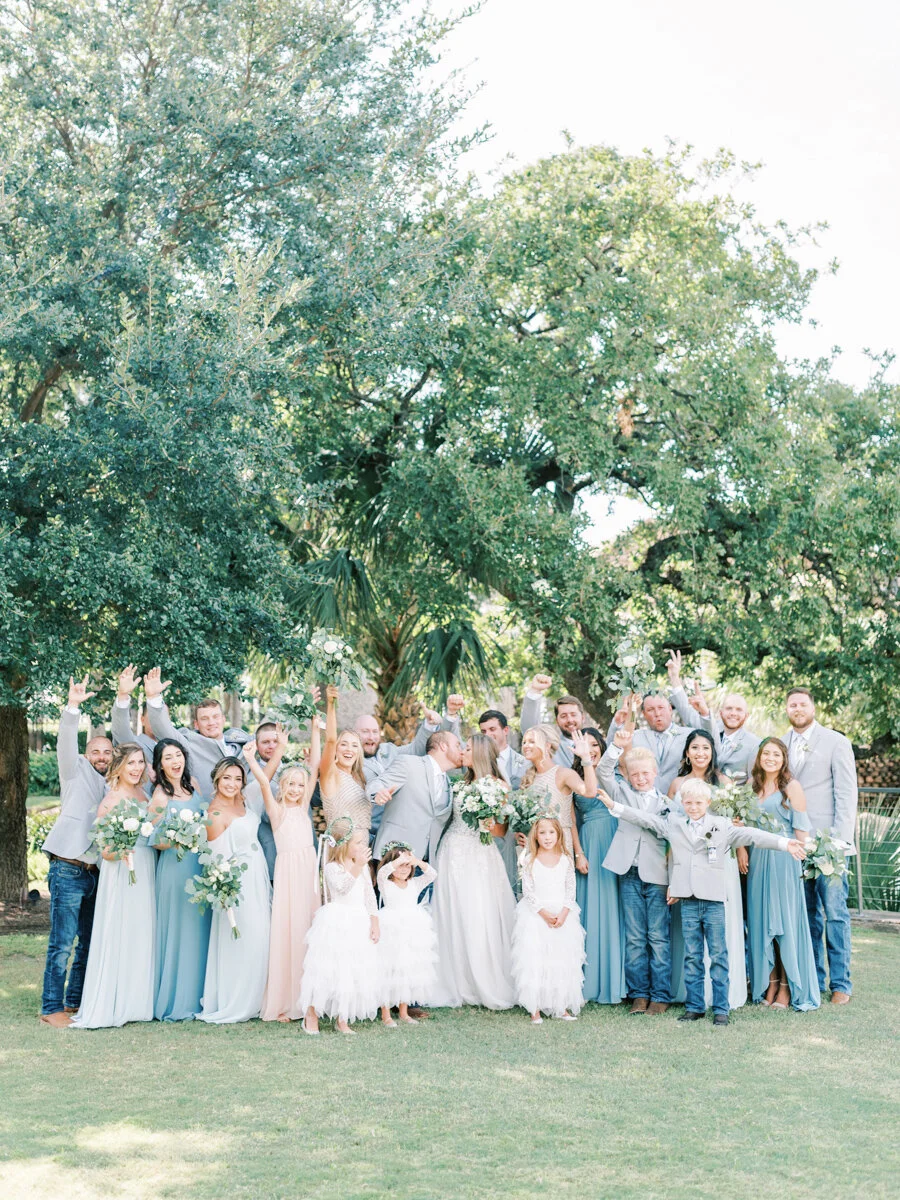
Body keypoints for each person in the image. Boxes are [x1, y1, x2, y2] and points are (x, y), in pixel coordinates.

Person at [598, 777, 807, 1026]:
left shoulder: (721, 825)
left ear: (707, 802)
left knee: (719, 955)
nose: (693, 807)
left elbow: (752, 835)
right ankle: (695, 1006)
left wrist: (784, 843)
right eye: (688, 802)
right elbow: (646, 819)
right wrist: (615, 806)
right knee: (692, 956)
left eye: (698, 802)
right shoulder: (674, 824)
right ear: (682, 803)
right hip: (687, 900)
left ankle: (721, 1008)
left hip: (713, 901)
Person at [40, 676, 112, 1028]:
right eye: (96, 751)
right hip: (68, 867)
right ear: (87, 753)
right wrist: (72, 707)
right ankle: (50, 1008)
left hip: (96, 872)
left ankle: (73, 1002)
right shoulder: (73, 771)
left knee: (87, 944)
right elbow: (66, 740)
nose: (101, 756)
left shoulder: (114, 784)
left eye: (107, 752)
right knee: (62, 944)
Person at [71, 744, 156, 1029]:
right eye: (131, 763)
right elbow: (104, 851)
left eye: (140, 762)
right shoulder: (111, 800)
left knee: (140, 932)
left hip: (145, 868)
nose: (136, 768)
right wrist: (121, 850)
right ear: (118, 766)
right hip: (122, 872)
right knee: (121, 931)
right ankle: (115, 1001)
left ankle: (136, 1001)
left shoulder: (143, 794)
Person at [430, 735, 517, 1009]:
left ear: (478, 752)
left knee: (479, 912)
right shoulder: (459, 783)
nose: (462, 752)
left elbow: (502, 832)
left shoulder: (500, 786)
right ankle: (456, 979)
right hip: (452, 851)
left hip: (480, 855)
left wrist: (488, 821)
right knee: (452, 912)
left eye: (466, 748)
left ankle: (483, 980)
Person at [784, 688, 858, 1005]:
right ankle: (815, 977)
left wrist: (840, 841)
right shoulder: (780, 744)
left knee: (836, 913)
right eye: (792, 704)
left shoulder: (836, 741)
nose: (798, 708)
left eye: (803, 703)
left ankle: (841, 984)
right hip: (795, 843)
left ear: (813, 706)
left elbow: (846, 793)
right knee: (807, 914)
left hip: (829, 843)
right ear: (786, 709)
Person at [668, 730, 747, 1012]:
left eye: (705, 748)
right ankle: (693, 998)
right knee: (691, 939)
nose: (700, 753)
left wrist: (740, 851)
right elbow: (671, 829)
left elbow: (735, 824)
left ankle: (723, 998)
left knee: (720, 934)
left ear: (712, 752)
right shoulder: (677, 783)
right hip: (688, 868)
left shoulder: (723, 783)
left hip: (718, 864)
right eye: (695, 748)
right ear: (687, 752)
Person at [197, 746, 272, 1024]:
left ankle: (257, 998)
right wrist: (225, 893)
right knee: (245, 938)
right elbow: (215, 859)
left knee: (262, 936)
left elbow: (268, 773)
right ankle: (238, 1001)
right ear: (216, 780)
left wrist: (266, 752)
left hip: (256, 875)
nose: (232, 784)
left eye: (238, 779)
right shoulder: (214, 813)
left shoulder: (244, 801)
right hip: (235, 883)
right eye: (227, 778)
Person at [597, 735, 672, 1015]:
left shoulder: (667, 804)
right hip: (628, 872)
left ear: (655, 773)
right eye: (635, 774)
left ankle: (660, 995)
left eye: (645, 773)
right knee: (635, 937)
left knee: (658, 937)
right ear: (627, 775)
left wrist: (622, 812)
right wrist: (616, 746)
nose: (640, 778)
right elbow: (603, 771)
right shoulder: (621, 793)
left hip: (657, 877)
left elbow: (662, 829)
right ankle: (639, 993)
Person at [746, 738, 820, 1012]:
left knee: (784, 926)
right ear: (759, 757)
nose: (770, 758)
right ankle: (771, 983)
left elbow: (802, 832)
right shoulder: (752, 788)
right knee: (763, 923)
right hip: (758, 861)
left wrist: (813, 856)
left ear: (784, 758)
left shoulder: (792, 787)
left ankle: (787, 987)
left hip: (784, 861)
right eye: (766, 753)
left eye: (776, 754)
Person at [261, 727, 322, 1022]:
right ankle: (286, 1000)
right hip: (288, 875)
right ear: (282, 786)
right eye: (291, 784)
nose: (297, 789)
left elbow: (315, 763)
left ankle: (311, 998)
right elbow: (263, 781)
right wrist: (279, 749)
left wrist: (314, 728)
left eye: (300, 785)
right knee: (289, 932)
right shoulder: (278, 811)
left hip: (308, 873)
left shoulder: (304, 808)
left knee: (310, 930)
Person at [149, 738, 211, 1022]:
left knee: (199, 930)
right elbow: (151, 838)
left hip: (198, 867)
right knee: (178, 930)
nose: (175, 762)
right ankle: (175, 1000)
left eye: (178, 756)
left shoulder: (194, 786)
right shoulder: (160, 795)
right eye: (168, 758)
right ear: (160, 765)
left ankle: (200, 997)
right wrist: (175, 837)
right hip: (175, 868)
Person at [299, 819, 381, 1035]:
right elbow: (343, 888)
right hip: (336, 921)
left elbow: (369, 896)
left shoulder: (361, 868)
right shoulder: (332, 867)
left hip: (358, 920)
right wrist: (358, 866)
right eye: (357, 843)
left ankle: (342, 1017)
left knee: (350, 970)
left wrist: (374, 922)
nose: (362, 847)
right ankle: (311, 1013)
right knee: (327, 968)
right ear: (344, 844)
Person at [511, 815, 586, 1023]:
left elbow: (571, 889)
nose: (547, 837)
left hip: (562, 916)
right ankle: (534, 1008)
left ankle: (560, 1006)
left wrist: (563, 913)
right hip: (536, 916)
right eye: (542, 833)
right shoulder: (529, 859)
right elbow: (528, 891)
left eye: (551, 832)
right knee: (536, 960)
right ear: (535, 836)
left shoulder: (565, 859)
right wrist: (543, 913)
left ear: (558, 834)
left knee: (561, 960)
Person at [572, 728, 626, 1006]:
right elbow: (569, 820)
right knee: (593, 907)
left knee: (620, 908)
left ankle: (622, 981)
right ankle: (591, 981)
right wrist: (579, 853)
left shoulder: (617, 775)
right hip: (592, 843)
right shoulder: (574, 778)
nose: (591, 748)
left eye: (595, 744)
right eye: (585, 744)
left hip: (620, 840)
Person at [144, 667, 243, 800]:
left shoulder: (241, 743)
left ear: (223, 719)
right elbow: (163, 729)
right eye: (204, 719)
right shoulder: (189, 743)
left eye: (215, 717)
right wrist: (153, 698)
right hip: (207, 814)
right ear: (196, 724)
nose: (211, 722)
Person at [666, 652, 761, 780]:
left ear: (746, 715)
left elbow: (754, 781)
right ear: (721, 712)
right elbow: (686, 712)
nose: (733, 713)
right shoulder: (708, 726)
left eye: (739, 710)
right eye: (729, 708)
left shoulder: (754, 744)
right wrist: (674, 678)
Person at [368, 730, 461, 861]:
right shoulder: (409, 763)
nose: (461, 750)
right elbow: (377, 783)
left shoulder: (448, 783)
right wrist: (378, 793)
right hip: (392, 857)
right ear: (443, 746)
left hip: (425, 866)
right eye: (457, 745)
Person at [376, 845, 438, 1027]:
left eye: (407, 865)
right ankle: (385, 1013)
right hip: (391, 929)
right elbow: (382, 872)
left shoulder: (414, 884)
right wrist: (397, 861)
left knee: (407, 971)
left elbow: (432, 874)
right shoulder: (386, 883)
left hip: (412, 930)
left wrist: (416, 861)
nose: (403, 869)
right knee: (389, 970)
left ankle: (403, 1011)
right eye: (399, 865)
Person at [520, 724, 595, 868]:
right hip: (535, 848)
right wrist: (522, 833)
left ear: (547, 746)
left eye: (531, 741)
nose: (526, 746)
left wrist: (579, 854)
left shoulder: (564, 774)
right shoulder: (527, 779)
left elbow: (589, 794)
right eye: (524, 742)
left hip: (560, 846)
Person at [355, 696, 464, 785]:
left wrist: (431, 724)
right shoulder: (347, 760)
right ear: (354, 734)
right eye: (365, 731)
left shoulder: (388, 750)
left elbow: (416, 750)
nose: (371, 737)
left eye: (375, 732)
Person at [479, 708, 528, 888]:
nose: (488, 734)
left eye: (492, 729)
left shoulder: (524, 762)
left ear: (505, 730)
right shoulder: (478, 762)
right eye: (484, 731)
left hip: (516, 835)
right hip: (488, 835)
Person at [607, 691, 691, 793]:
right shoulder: (636, 736)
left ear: (670, 709)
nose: (657, 713)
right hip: (643, 803)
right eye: (650, 710)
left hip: (682, 802)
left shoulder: (689, 735)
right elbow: (612, 754)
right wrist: (618, 722)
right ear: (644, 714)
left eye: (661, 708)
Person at [319, 685, 371, 833]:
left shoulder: (359, 777)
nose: (349, 749)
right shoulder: (330, 774)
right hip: (341, 847)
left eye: (354, 745)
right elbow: (330, 739)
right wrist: (331, 704)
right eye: (343, 744)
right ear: (336, 749)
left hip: (362, 847)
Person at [521, 674, 584, 766]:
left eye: (573, 715)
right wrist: (535, 690)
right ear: (557, 721)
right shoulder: (552, 745)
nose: (569, 720)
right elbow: (531, 730)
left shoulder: (595, 743)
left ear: (583, 717)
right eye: (563, 716)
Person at [111, 664, 158, 764]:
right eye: (152, 716)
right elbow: (121, 731)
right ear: (142, 720)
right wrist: (123, 695)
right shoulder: (135, 744)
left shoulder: (174, 745)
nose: (157, 720)